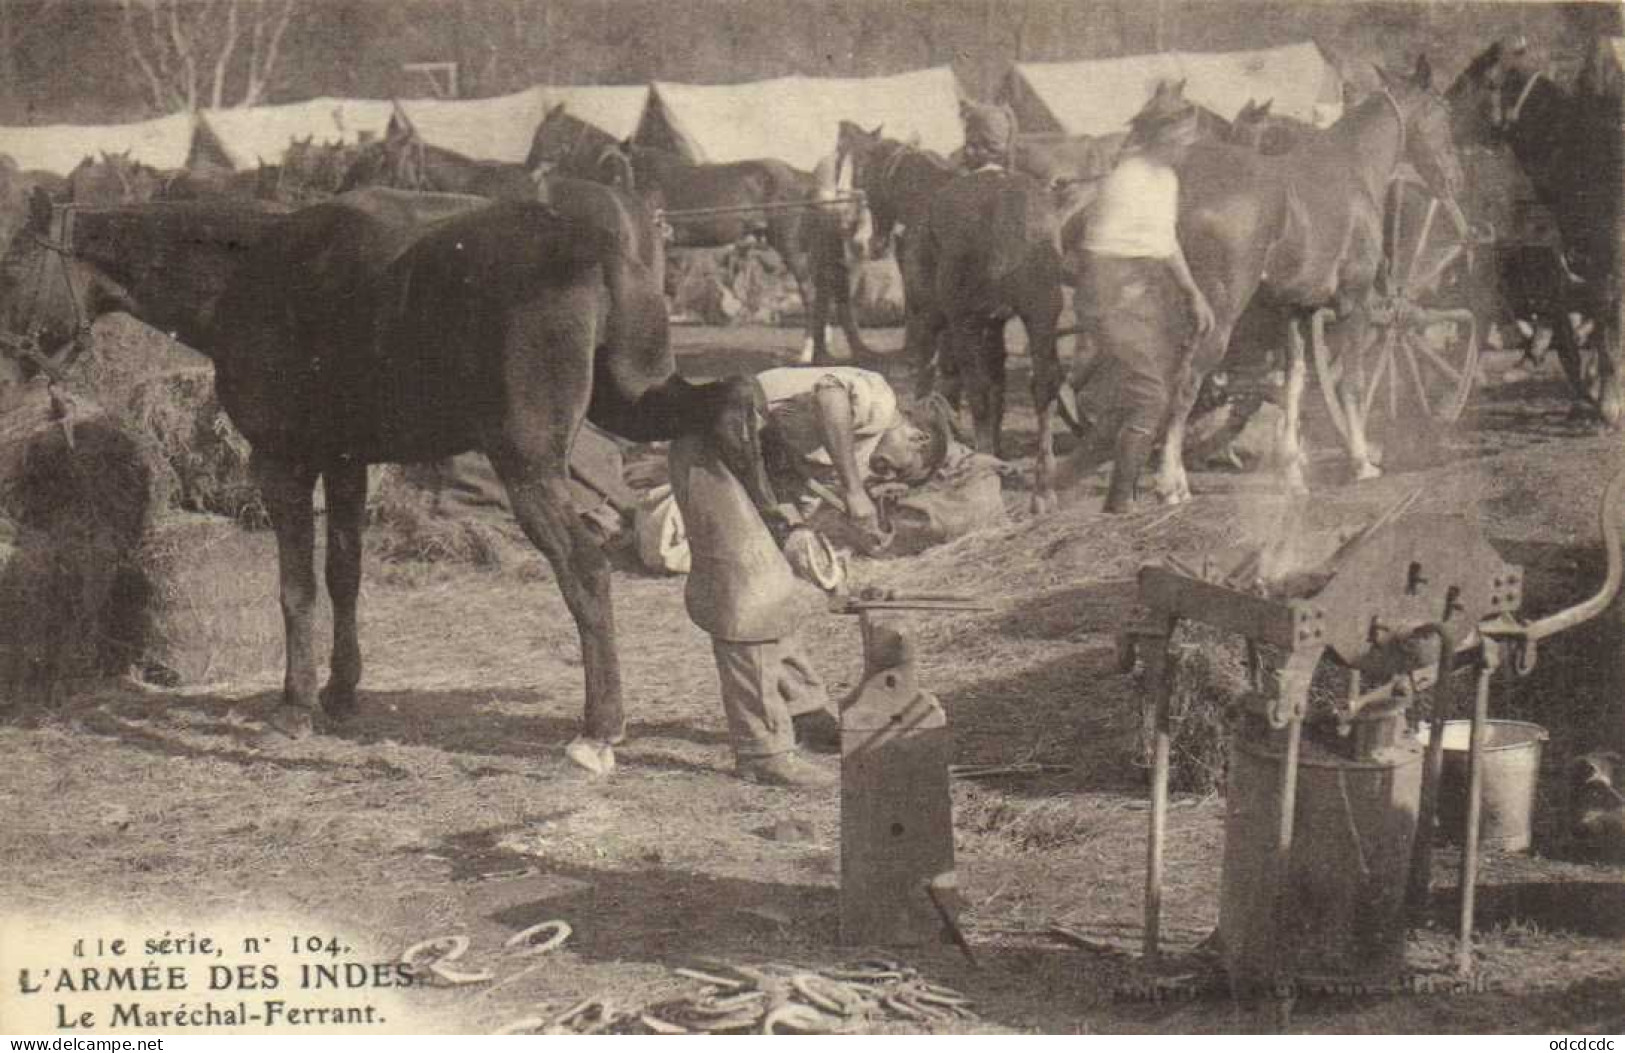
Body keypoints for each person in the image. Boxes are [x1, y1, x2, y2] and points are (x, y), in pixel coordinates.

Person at [668, 426, 841, 788]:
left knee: (772, 593)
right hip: (713, 447)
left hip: (739, 441)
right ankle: (763, 751)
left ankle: (804, 711)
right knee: (747, 595)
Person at [1073, 80, 1216, 512]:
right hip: (1111, 298)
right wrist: (1126, 308)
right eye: (1180, 140)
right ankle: (1119, 504)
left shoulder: (1165, 178)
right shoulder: (1127, 179)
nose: (1186, 148)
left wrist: (1194, 295)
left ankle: (1063, 478)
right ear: (1159, 138)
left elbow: (1165, 241)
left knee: (1138, 399)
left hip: (1142, 297)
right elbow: (1101, 257)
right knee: (1151, 397)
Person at [754, 366, 950, 547]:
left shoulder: (856, 456)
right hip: (744, 409)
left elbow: (799, 499)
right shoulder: (882, 403)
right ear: (918, 438)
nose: (888, 476)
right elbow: (830, 395)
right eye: (900, 470)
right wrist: (854, 491)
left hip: (754, 458)